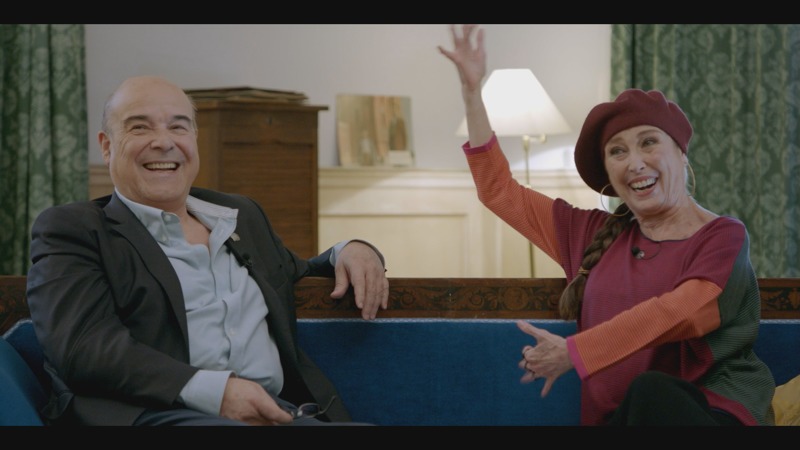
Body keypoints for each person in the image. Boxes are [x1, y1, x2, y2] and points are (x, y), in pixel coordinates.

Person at [438, 24, 775, 426]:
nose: (635, 162)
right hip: (618, 423)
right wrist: (472, 94)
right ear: (609, 175)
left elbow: (682, 313)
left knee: (652, 391)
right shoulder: (589, 234)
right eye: (618, 151)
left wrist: (575, 352)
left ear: (681, 153)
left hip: (711, 415)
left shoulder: (723, 235)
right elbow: (499, 191)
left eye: (648, 142)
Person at [25, 75, 389, 426]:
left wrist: (350, 249)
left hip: (275, 412)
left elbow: (294, 272)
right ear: (106, 146)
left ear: (194, 140)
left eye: (178, 127)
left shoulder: (241, 215)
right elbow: (83, 347)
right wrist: (217, 393)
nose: (163, 142)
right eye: (140, 128)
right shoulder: (74, 230)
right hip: (157, 414)